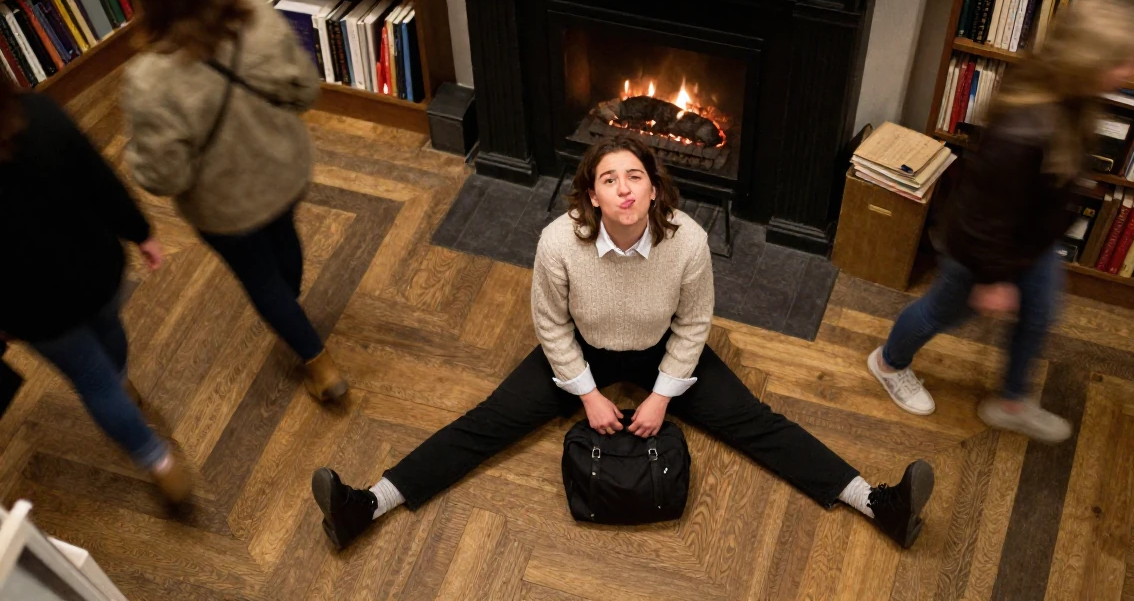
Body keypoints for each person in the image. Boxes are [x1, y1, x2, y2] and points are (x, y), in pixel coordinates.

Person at [310, 136, 935, 550]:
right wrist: (585, 393)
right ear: (592, 196)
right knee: (491, 421)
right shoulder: (558, 241)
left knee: (755, 422)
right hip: (584, 349)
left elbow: (694, 324)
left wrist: (663, 396)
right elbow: (551, 324)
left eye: (636, 175)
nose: (626, 187)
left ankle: (878, 504)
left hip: (663, 349)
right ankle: (367, 505)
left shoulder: (687, 240)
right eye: (610, 179)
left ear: (654, 189)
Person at [867, 0, 1134, 443]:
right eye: (1124, 60)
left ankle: (1012, 401)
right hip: (983, 254)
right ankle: (888, 362)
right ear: (1089, 60)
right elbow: (985, 215)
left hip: (1027, 245)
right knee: (941, 313)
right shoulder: (1023, 130)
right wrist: (991, 279)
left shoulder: (1069, 93)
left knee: (1039, 313)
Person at [121, 0, 346, 402]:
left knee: (260, 279)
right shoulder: (258, 12)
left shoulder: (148, 80)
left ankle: (320, 363)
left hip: (223, 207)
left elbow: (165, 176)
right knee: (284, 240)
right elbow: (304, 91)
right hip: (283, 171)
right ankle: (291, 305)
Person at [0, 77, 193, 503]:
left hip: (31, 310)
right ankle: (124, 382)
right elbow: (100, 180)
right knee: (110, 331)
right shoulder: (42, 115)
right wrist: (140, 231)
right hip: (96, 269)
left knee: (93, 382)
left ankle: (159, 463)